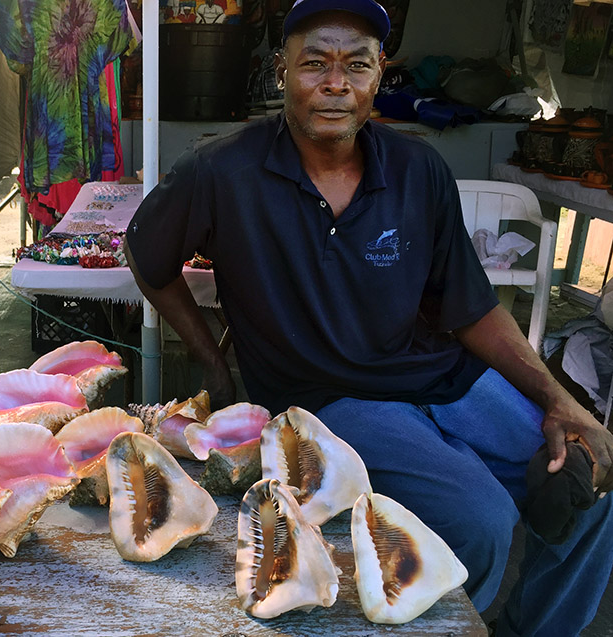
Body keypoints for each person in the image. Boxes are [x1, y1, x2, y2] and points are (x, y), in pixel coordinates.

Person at [124, 0, 613, 635]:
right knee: (481, 520)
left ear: (380, 74)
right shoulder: (223, 170)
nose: (335, 84)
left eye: (356, 65)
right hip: (330, 397)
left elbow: (473, 308)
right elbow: (148, 254)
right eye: (314, 64)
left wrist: (558, 402)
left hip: (442, 377)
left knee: (592, 478)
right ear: (282, 72)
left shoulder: (418, 170)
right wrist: (212, 360)